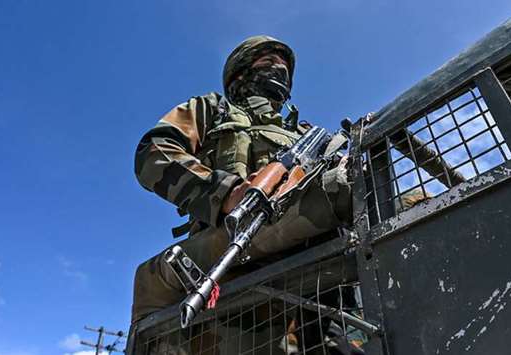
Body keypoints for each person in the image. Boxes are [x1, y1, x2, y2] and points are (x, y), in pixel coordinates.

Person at [131, 35, 353, 325]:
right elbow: (154, 153)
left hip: (323, 268)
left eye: (285, 66)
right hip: (241, 255)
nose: (280, 70)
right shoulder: (214, 110)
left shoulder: (305, 133)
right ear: (242, 71)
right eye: (270, 62)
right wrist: (225, 192)